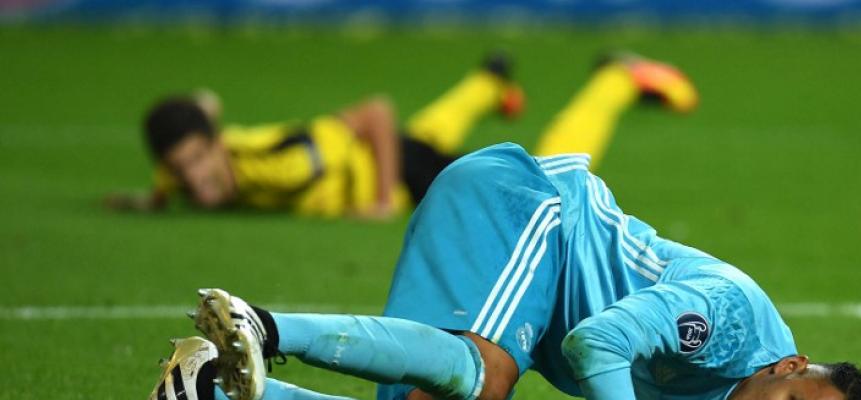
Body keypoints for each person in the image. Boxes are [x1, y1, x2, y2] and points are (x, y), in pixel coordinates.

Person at [107, 59, 861, 400]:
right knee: (486, 376)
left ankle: (213, 383)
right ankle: (263, 326)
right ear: (787, 368)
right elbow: (596, 345)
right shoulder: (730, 316)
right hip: (526, 204)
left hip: (527, 297)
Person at [105, 54, 697, 219]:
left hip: (399, 172)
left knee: (546, 181)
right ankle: (490, 82)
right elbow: (199, 121)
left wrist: (385, 197)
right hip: (392, 158)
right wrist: (148, 199)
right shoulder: (186, 166)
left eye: (199, 162)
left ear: (216, 144)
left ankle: (617, 79)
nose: (194, 180)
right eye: (181, 170)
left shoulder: (284, 166)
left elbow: (375, 116)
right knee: (430, 136)